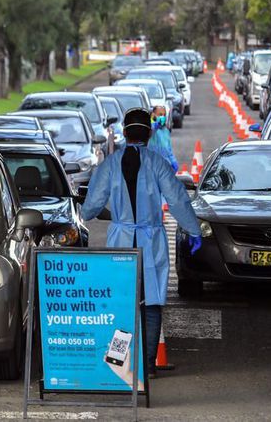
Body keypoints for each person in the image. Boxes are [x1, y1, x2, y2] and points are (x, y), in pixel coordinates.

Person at [82, 109, 202, 378]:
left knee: (121, 301)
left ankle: (118, 362)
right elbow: (178, 199)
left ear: (125, 133)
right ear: (149, 133)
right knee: (151, 303)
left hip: (121, 241)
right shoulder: (157, 163)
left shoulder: (110, 164)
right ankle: (147, 366)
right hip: (151, 240)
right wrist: (193, 231)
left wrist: (84, 211)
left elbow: (90, 208)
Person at [147, 106, 178, 172]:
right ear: (153, 115)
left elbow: (168, 149)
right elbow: (150, 132)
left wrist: (173, 161)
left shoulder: (165, 131)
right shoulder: (149, 127)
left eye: (164, 115)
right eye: (160, 114)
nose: (163, 117)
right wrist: (156, 124)